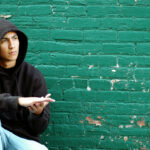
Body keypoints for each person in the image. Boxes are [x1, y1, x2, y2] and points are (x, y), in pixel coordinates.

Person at [0, 19, 55, 150]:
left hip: (21, 139)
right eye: (4, 40)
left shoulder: (33, 76)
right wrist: (19, 101)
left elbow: (39, 129)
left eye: (15, 38)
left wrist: (38, 113)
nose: (12, 45)